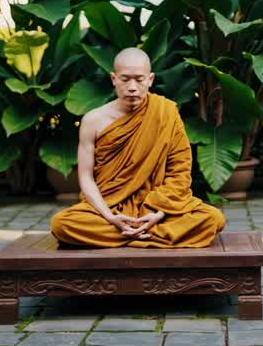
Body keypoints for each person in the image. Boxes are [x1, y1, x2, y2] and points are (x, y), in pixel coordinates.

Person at [50, 47, 225, 248]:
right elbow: (86, 178)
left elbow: (180, 172)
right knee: (61, 225)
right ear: (114, 79)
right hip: (110, 207)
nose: (132, 87)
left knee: (213, 218)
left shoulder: (166, 113)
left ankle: (130, 232)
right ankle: (143, 233)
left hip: (157, 206)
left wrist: (158, 213)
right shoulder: (93, 120)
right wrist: (110, 216)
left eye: (139, 80)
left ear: (150, 80)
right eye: (125, 79)